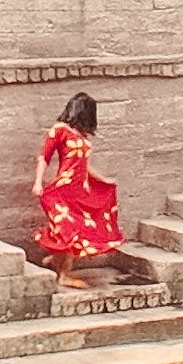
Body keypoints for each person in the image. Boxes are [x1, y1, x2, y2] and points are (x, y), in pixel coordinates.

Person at [31, 89, 125, 281]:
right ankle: (64, 274)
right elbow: (44, 157)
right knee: (69, 229)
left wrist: (103, 180)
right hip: (62, 191)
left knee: (79, 229)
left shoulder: (83, 138)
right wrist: (38, 182)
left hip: (80, 192)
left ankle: (55, 262)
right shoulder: (59, 130)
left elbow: (84, 166)